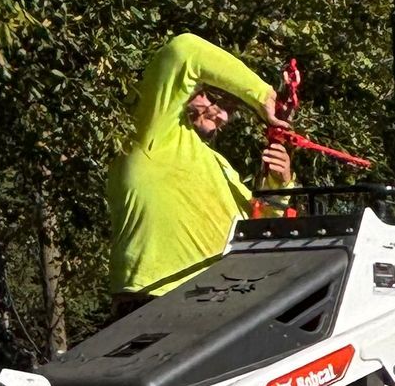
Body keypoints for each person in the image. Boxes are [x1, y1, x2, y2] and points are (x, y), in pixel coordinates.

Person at [107, 33, 294, 304]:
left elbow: (259, 228)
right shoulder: (153, 130)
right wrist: (263, 95)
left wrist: (279, 184)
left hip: (220, 298)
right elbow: (185, 50)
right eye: (216, 99)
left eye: (231, 108)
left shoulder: (220, 166)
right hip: (154, 296)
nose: (223, 115)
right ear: (189, 90)